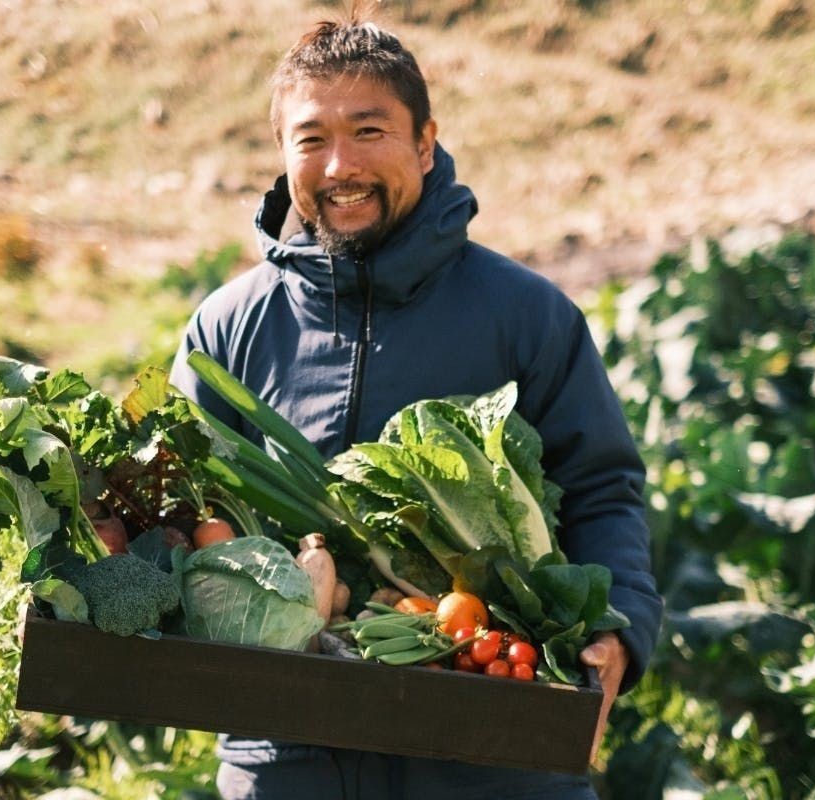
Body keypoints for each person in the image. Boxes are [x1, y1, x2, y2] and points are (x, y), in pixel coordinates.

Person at [169, 11, 662, 800]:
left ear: (425, 143)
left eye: (369, 131)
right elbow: (179, 506)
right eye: (311, 139)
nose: (340, 165)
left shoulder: (526, 315)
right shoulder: (226, 330)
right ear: (282, 153)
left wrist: (621, 629)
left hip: (494, 757)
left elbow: (603, 491)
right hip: (288, 763)